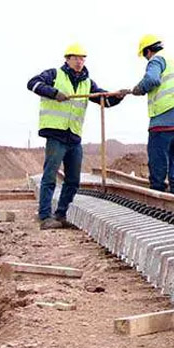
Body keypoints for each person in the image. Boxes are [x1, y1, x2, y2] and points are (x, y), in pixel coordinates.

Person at [27, 43, 125, 229]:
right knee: (50, 177)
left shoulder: (87, 82)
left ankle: (60, 214)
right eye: (76, 58)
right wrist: (54, 93)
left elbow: (105, 101)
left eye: (82, 58)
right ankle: (45, 216)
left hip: (74, 136)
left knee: (73, 180)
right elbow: (32, 83)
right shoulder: (54, 75)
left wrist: (118, 96)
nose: (80, 62)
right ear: (67, 59)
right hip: (56, 134)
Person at [127, 34, 174, 195]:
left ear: (148, 51)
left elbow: (152, 79)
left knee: (158, 154)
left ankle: (157, 192)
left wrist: (138, 89)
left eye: (145, 55)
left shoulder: (156, 60)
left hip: (166, 116)